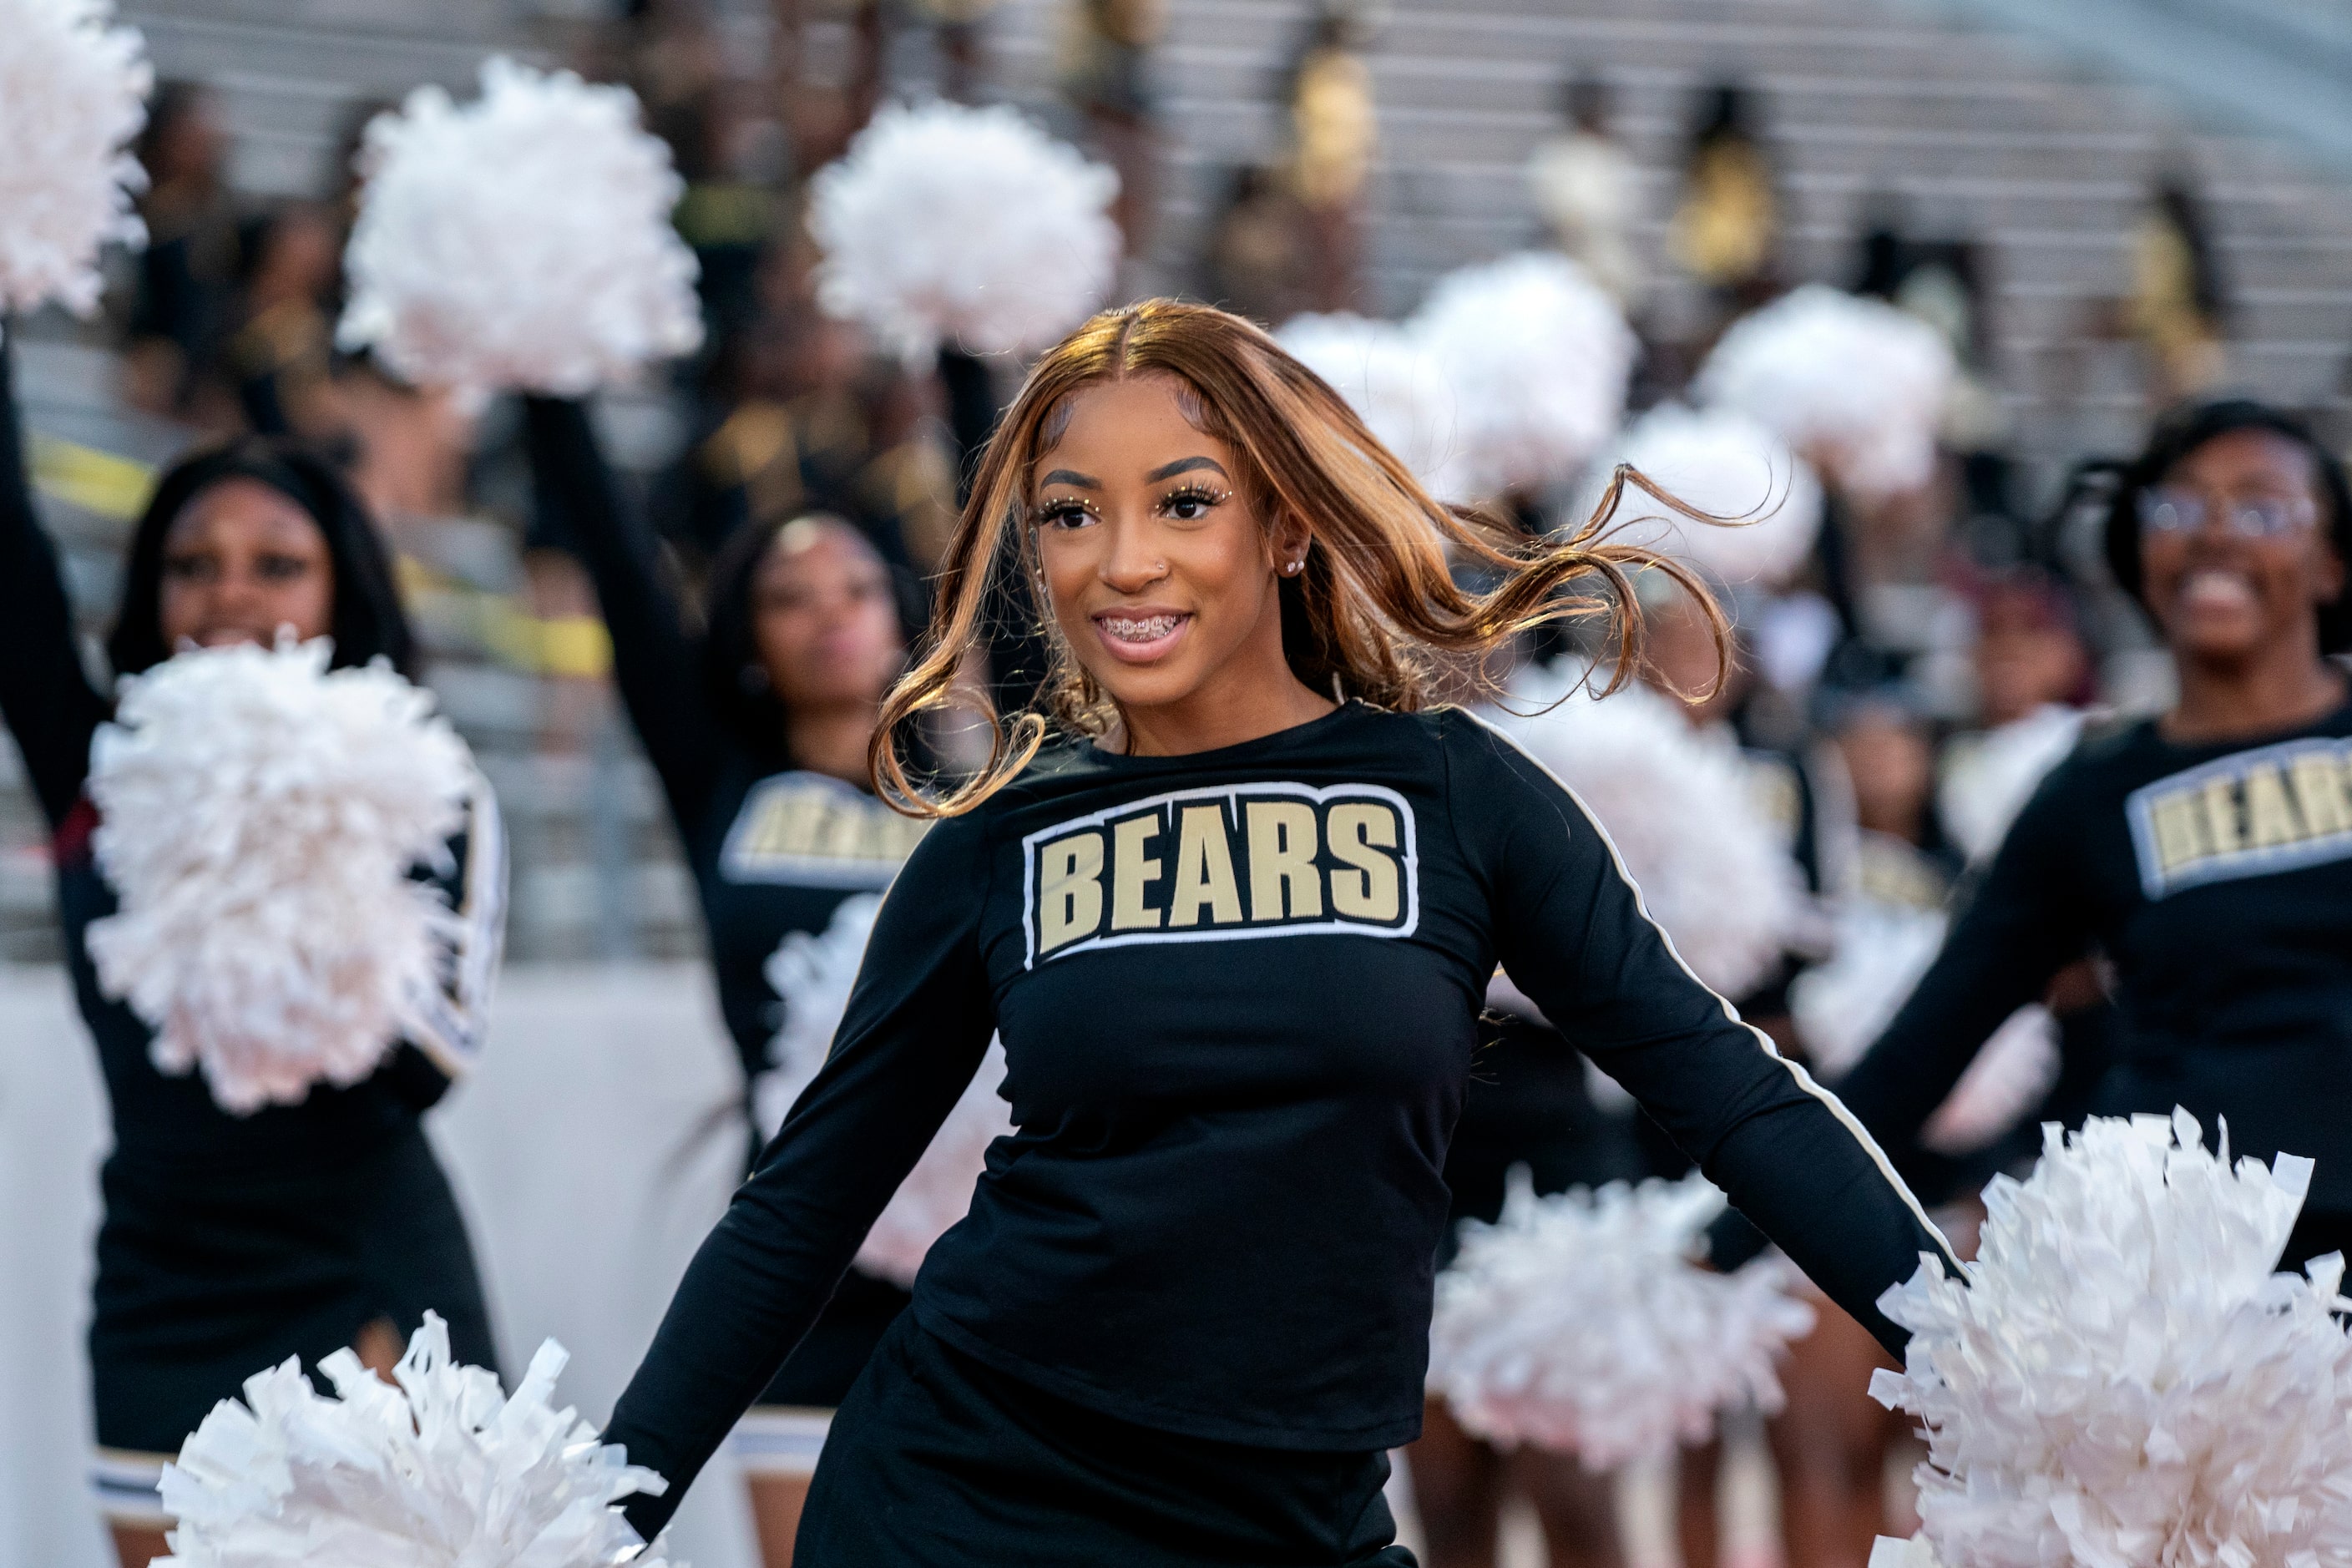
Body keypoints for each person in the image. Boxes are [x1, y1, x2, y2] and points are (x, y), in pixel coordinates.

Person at [598, 299, 1960, 1565]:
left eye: (1183, 502)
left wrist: (1978, 1346)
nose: (1123, 560)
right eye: (1071, 513)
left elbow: (1735, 1094)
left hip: (1299, 1517)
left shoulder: (1453, 796)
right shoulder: (998, 836)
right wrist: (586, 1512)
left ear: (1290, 525)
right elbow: (802, 1200)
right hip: (972, 1496)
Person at [0, 338, 503, 1568]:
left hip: (362, 1272)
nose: (230, 592)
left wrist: (298, 867)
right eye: (193, 566)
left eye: (277, 564)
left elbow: (428, 1062)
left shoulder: (423, 778)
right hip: (160, 1284)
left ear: (342, 592)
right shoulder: (99, 771)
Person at [522, 397, 926, 1566]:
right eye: (788, 599)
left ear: (903, 615)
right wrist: (552, 382)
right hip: (801, 1271)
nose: (827, 617)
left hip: (982, 1262)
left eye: (852, 589)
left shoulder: (971, 799)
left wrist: (961, 349)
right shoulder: (722, 782)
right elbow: (614, 561)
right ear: (749, 637)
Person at [1835, 398, 2352, 1272]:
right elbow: (1926, 1046)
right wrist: (1721, 1229)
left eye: (2261, 507)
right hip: (2186, 1278)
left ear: (2333, 563)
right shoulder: (2093, 793)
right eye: (2178, 506)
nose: (2214, 534)